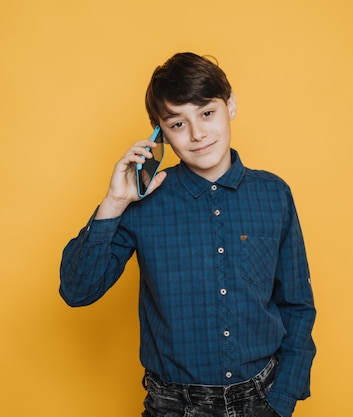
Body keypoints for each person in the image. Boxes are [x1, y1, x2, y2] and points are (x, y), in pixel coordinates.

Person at [60, 52, 316, 417]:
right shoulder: (141, 203)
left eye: (207, 113)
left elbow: (297, 305)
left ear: (230, 105)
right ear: (159, 133)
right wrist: (115, 201)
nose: (197, 134)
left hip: (262, 400)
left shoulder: (274, 194)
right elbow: (77, 290)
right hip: (173, 406)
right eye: (177, 124)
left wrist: (282, 401)